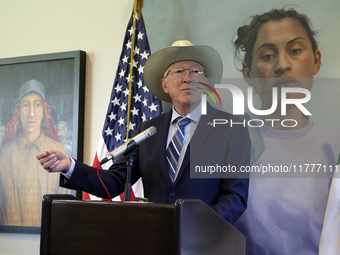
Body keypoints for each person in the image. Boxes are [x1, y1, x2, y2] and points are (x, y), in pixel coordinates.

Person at [37, 40, 251, 224]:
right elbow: (113, 182)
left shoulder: (231, 129)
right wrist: (69, 166)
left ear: (205, 82)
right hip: (153, 241)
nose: (188, 78)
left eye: (196, 71)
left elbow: (234, 197)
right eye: (178, 71)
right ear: (164, 85)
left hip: (204, 244)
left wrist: (196, 227)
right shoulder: (148, 131)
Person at [232, 8, 340, 254]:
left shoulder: (336, 145)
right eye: (268, 55)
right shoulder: (225, 142)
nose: (282, 65)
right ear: (248, 74)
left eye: (295, 51)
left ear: (316, 60)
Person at [0, 79, 70, 227]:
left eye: (37, 104)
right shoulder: (4, 155)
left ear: (44, 110)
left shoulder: (58, 151)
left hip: (48, 242)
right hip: (9, 242)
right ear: (18, 111)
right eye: (26, 105)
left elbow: (65, 206)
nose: (31, 113)